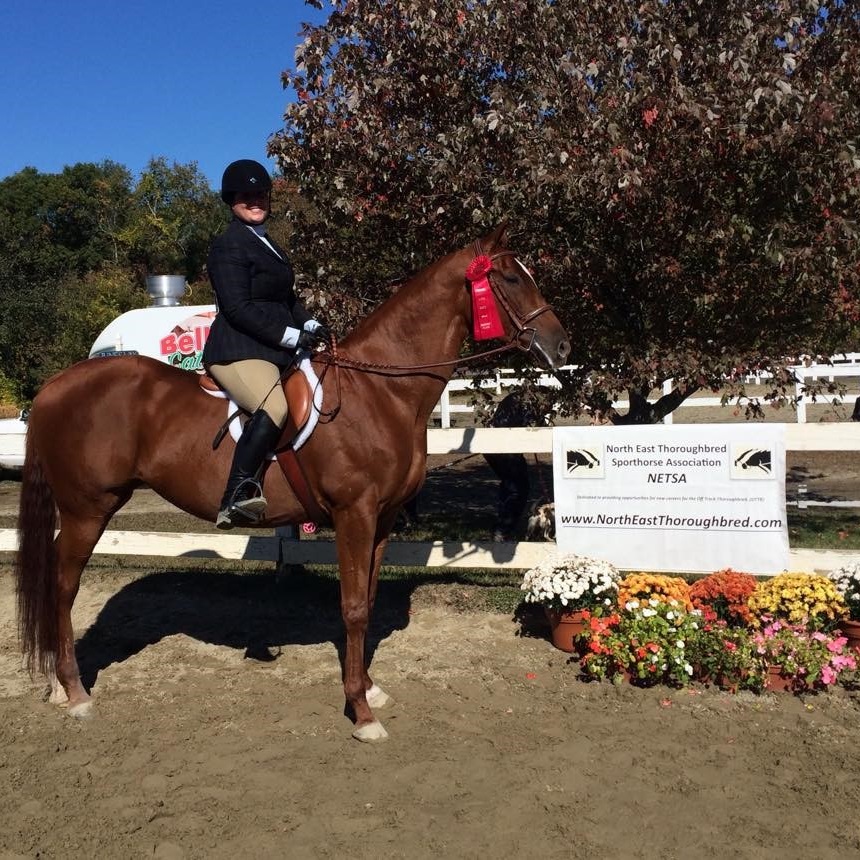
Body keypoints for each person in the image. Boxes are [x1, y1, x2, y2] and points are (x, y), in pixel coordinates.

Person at [203, 159, 328, 530]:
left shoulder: (268, 243)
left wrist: (310, 322)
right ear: (232, 200)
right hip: (238, 349)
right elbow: (238, 309)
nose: (255, 201)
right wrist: (291, 335)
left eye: (260, 194)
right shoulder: (228, 246)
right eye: (246, 196)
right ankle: (237, 494)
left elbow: (285, 299)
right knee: (274, 406)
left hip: (274, 348)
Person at [483, 388, 551, 541]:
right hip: (505, 448)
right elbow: (533, 427)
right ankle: (503, 529)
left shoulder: (517, 398)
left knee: (509, 485)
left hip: (492, 446)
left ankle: (501, 525)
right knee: (518, 489)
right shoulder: (529, 403)